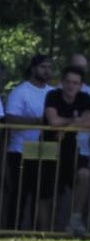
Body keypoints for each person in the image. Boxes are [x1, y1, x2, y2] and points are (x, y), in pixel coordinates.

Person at [43, 65, 90, 236]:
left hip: (71, 148)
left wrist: (68, 127)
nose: (71, 86)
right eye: (67, 82)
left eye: (75, 83)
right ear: (62, 82)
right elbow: (53, 121)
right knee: (47, 193)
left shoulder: (85, 97)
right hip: (49, 147)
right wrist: (77, 119)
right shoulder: (52, 95)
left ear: (81, 85)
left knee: (84, 175)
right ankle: (45, 232)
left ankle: (75, 220)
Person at [3, 54, 54, 231]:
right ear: (33, 68)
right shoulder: (20, 91)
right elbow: (10, 118)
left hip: (44, 150)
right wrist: (39, 122)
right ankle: (11, 229)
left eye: (49, 67)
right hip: (21, 150)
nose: (46, 71)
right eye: (43, 67)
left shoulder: (52, 92)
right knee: (19, 194)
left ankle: (35, 231)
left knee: (41, 194)